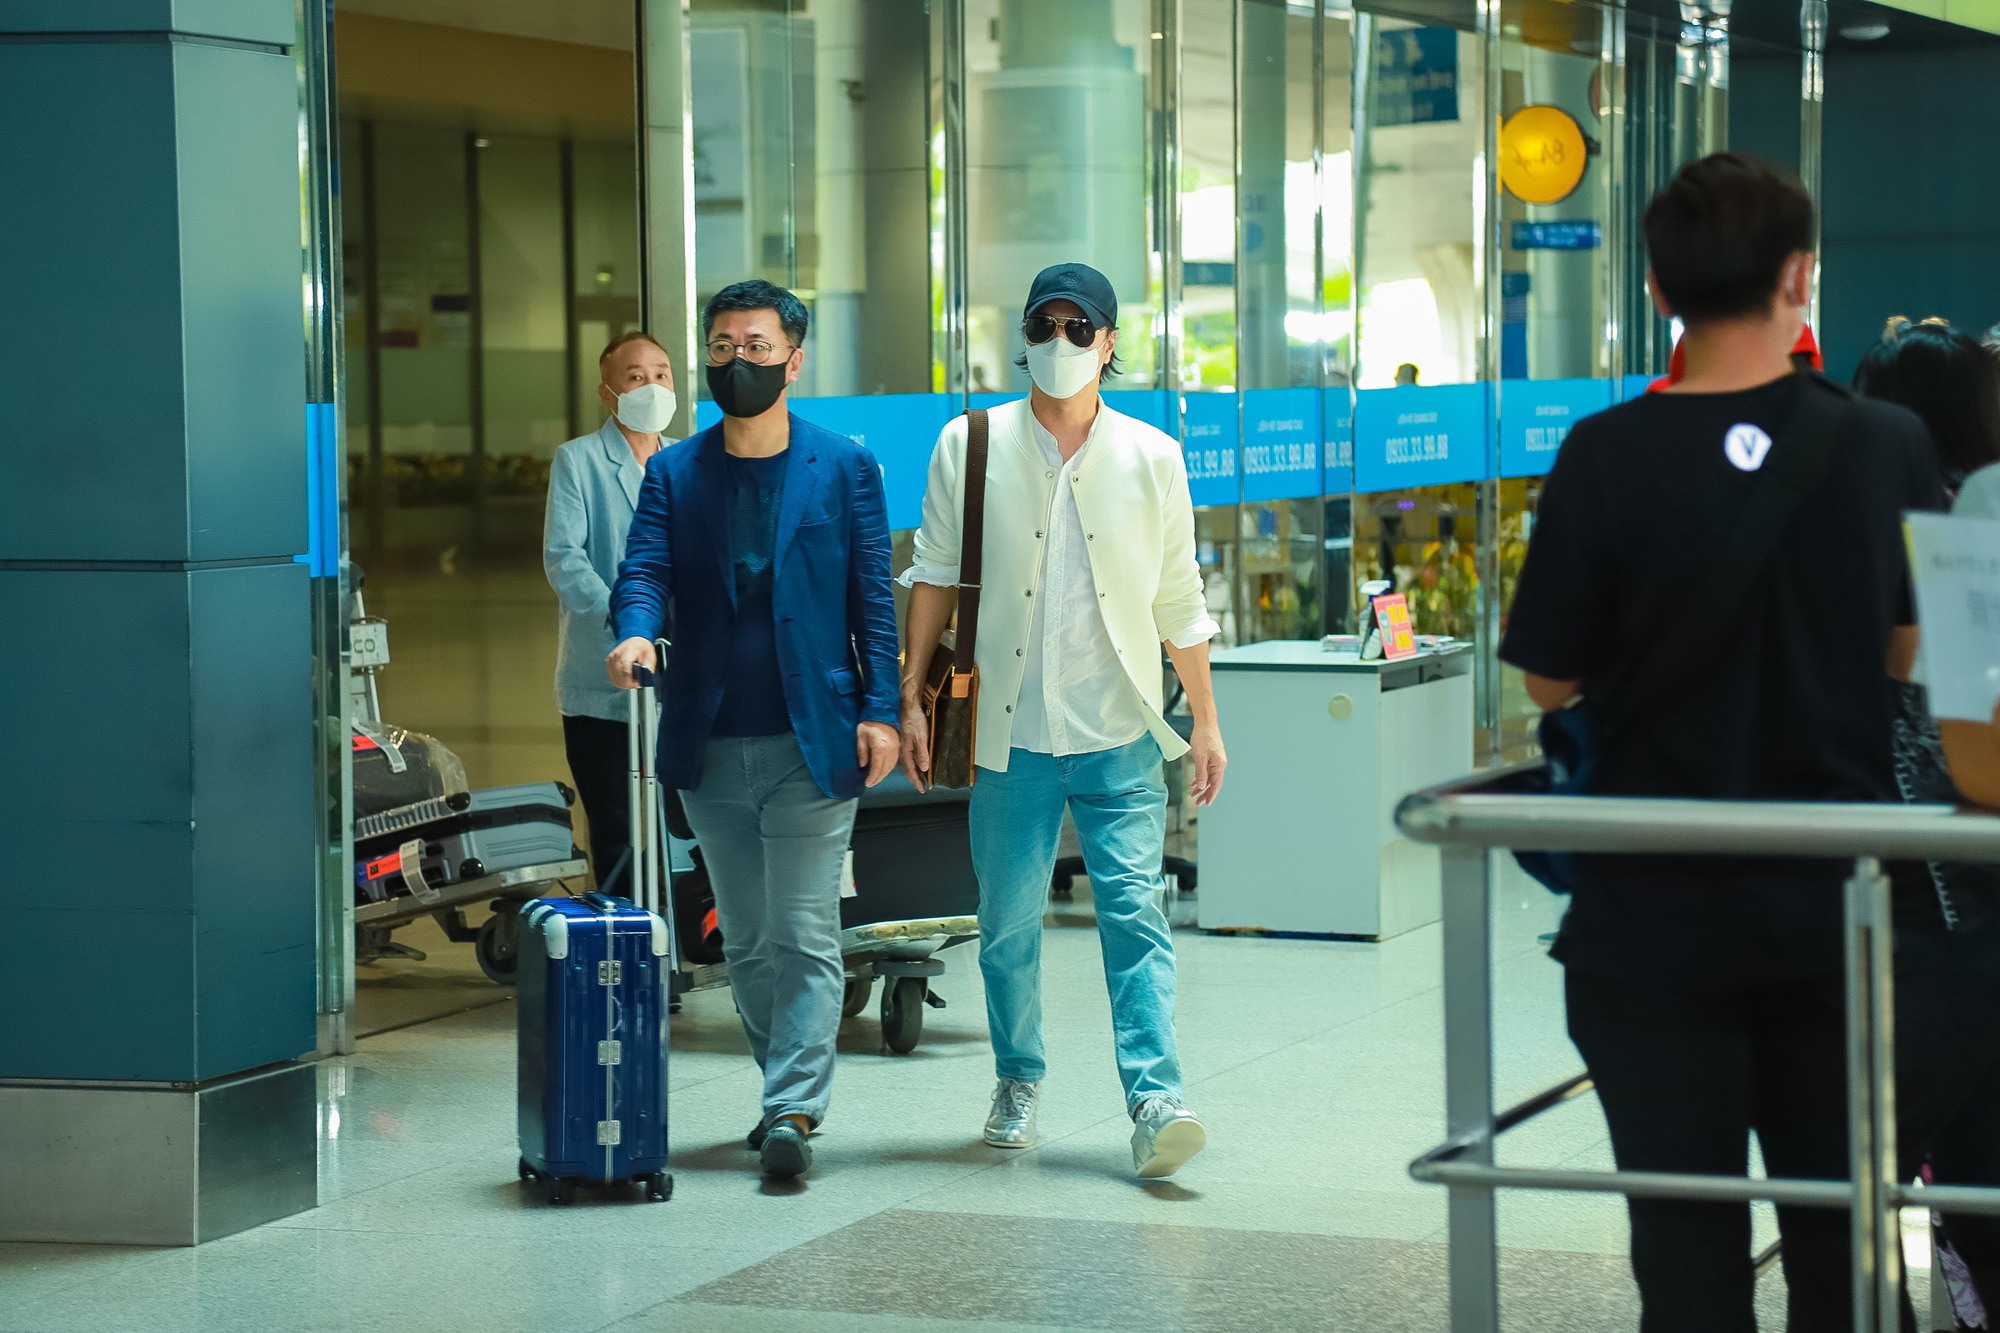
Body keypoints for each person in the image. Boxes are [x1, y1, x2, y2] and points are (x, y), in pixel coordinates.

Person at [1501, 153, 1942, 1330]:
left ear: (1656, 289)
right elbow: (1914, 655)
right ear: (1799, 276)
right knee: (1837, 1241)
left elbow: (1548, 676)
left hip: (1646, 925)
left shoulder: (1601, 454)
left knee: (1683, 1248)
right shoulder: (1883, 442)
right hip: (1831, 918)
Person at [898, 262, 1227, 1180]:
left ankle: (1155, 1099)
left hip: (1119, 726)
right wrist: (909, 697)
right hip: (1007, 734)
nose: (1062, 343)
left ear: (1111, 343)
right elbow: (931, 574)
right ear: (1025, 337)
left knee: (1135, 914)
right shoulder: (970, 444)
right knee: (1005, 921)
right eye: (1046, 324)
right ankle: (1017, 1075)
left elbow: (1179, 600)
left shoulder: (1152, 456)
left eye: (1082, 328)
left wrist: (1204, 720)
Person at [606, 279, 901, 1181]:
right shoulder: (675, 470)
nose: (741, 360)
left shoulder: (843, 466)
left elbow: (873, 601)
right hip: (708, 735)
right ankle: (787, 1083)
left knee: (805, 930)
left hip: (813, 736)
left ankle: (792, 1107)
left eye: (759, 346)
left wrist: (883, 708)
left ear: (794, 359)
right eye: (724, 346)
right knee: (744, 937)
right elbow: (644, 568)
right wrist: (631, 629)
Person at [543, 332, 679, 895]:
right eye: (635, 376)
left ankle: (680, 928)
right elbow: (564, 557)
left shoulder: (685, 459)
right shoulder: (578, 461)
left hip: (676, 669)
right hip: (602, 671)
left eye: (662, 373)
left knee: (679, 819)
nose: (652, 385)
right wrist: (629, 622)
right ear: (608, 391)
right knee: (616, 820)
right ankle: (626, 939)